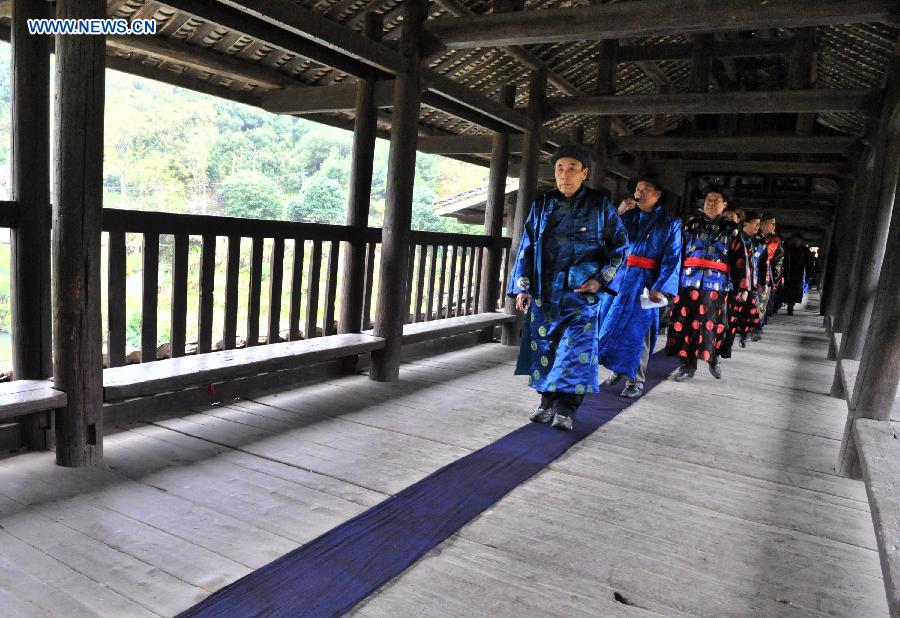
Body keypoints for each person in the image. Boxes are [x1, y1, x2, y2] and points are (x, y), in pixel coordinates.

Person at [508, 144, 629, 431]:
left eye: (572, 168)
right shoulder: (542, 204)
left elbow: (621, 248)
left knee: (575, 351)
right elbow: (526, 247)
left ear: (584, 173)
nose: (564, 174)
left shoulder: (599, 204)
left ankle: (566, 409)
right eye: (560, 168)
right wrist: (523, 286)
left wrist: (600, 279)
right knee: (545, 348)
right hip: (544, 292)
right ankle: (546, 403)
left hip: (581, 293)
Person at [598, 175, 681, 398]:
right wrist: (619, 211)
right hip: (620, 279)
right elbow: (604, 239)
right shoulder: (627, 217)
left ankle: (636, 379)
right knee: (610, 323)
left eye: (646, 189)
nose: (640, 192)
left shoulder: (670, 222)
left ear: (658, 194)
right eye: (637, 189)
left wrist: (660, 287)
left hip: (646, 281)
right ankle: (618, 368)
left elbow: (672, 257)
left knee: (639, 331)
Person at [665, 189, 750, 381]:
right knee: (684, 325)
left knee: (713, 325)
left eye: (716, 200)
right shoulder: (690, 225)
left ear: (724, 205)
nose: (710, 203)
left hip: (716, 286)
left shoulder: (732, 229)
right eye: (708, 199)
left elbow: (740, 260)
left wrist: (743, 287)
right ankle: (686, 366)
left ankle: (714, 358)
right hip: (687, 283)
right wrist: (669, 282)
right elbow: (675, 254)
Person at [721, 209, 763, 354]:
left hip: (745, 283)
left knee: (739, 315)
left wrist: (750, 285)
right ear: (744, 223)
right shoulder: (734, 236)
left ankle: (740, 338)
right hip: (729, 281)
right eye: (755, 224)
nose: (758, 227)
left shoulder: (752, 240)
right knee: (729, 317)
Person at [751, 213, 784, 340]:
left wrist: (775, 280)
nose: (774, 226)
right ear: (763, 223)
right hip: (749, 275)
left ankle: (757, 328)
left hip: (765, 278)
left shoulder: (775, 242)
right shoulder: (752, 237)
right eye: (772, 223)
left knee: (761, 305)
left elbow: (778, 264)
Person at [781, 234, 814, 315]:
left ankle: (790, 307)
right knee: (786, 290)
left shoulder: (804, 250)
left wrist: (809, 275)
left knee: (794, 292)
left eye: (798, 241)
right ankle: (785, 305)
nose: (796, 242)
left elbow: (809, 264)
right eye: (794, 240)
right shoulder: (786, 248)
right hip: (785, 273)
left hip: (797, 274)